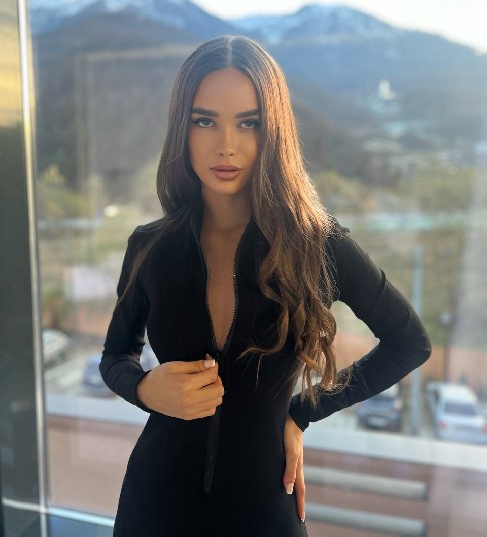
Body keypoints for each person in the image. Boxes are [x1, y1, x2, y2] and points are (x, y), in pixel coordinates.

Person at [100, 35, 431, 537]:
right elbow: (114, 356)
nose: (226, 144)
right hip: (154, 505)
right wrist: (144, 388)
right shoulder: (150, 246)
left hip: (264, 510)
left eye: (248, 123)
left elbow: (410, 342)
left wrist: (301, 413)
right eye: (204, 120)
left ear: (272, 131)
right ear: (181, 127)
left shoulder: (317, 245)